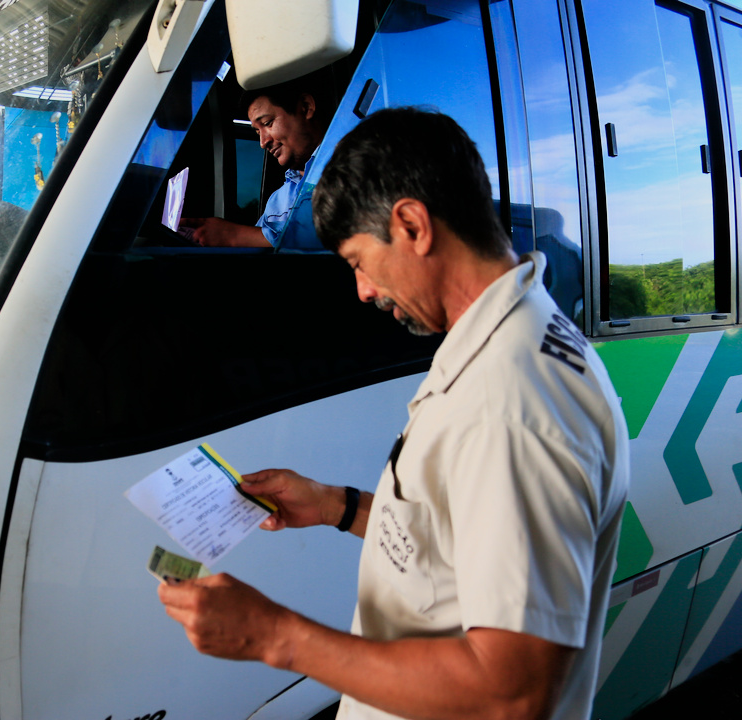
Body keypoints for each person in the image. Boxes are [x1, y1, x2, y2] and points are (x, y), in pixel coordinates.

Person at [158, 108, 630, 720]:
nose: (363, 291)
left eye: (359, 261)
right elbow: (454, 534)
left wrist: (276, 636)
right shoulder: (506, 340)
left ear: (412, 225)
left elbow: (511, 694)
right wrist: (335, 505)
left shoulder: (512, 401)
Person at [180, 76, 330, 248]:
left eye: (268, 123)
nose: (263, 142)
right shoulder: (277, 200)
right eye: (258, 132)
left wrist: (234, 235)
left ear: (306, 107)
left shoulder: (348, 167)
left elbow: (333, 235)